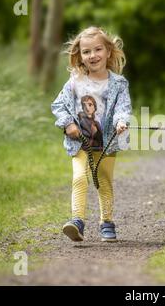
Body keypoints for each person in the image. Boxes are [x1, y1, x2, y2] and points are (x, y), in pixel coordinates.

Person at [51, 26, 131, 242]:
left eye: (98, 50)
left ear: (108, 52)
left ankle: (107, 222)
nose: (93, 55)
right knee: (79, 178)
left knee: (104, 180)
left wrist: (121, 122)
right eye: (86, 52)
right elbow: (58, 105)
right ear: (80, 56)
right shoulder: (75, 82)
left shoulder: (119, 84)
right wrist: (68, 124)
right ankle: (77, 220)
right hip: (80, 142)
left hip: (106, 142)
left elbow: (123, 108)